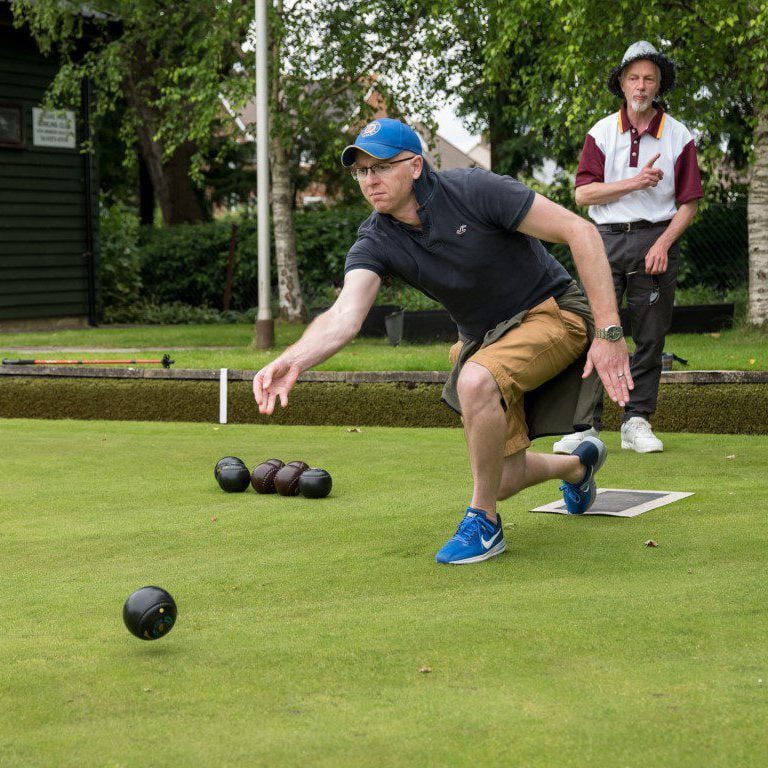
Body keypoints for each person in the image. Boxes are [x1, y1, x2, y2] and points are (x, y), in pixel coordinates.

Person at [254, 117, 632, 565]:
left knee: (474, 380)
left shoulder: (474, 189)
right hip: (487, 340)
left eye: (381, 167)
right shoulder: (376, 238)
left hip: (554, 311)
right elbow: (343, 315)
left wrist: (609, 331)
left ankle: (483, 524)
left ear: (414, 166)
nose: (370, 180)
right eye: (361, 171)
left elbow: (581, 231)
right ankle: (579, 466)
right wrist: (293, 359)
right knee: (504, 477)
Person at [554, 41, 703, 456]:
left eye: (649, 79)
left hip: (655, 240)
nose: (641, 86)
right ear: (621, 84)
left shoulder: (679, 134)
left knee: (650, 336)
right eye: (634, 78)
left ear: (659, 86)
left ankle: (636, 421)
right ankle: (585, 425)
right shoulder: (601, 132)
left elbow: (689, 202)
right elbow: (584, 196)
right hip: (601, 242)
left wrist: (664, 242)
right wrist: (636, 182)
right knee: (594, 330)